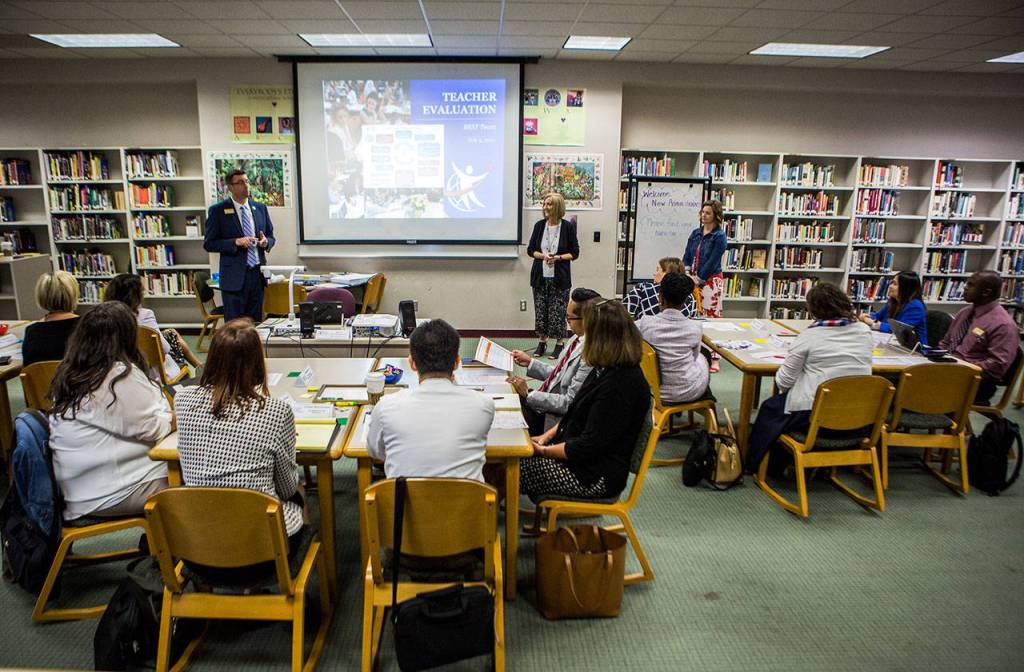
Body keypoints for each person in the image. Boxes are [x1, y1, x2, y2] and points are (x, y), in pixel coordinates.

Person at [174, 319, 307, 568]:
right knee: (299, 494)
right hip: (263, 548)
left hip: (198, 543)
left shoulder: (182, 401)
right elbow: (287, 488)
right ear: (258, 360)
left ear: (212, 358)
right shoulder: (276, 411)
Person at [48, 302, 172, 520]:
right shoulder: (116, 377)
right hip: (112, 490)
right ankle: (186, 545)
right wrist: (185, 415)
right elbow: (156, 428)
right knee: (196, 472)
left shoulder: (71, 372)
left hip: (79, 488)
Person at [521, 299, 651, 501]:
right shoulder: (605, 369)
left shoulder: (621, 386)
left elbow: (588, 446)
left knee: (510, 467)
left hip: (593, 476)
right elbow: (575, 411)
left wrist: (544, 451)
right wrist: (547, 436)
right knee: (508, 461)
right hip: (579, 460)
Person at [746, 283, 873, 474]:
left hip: (815, 414)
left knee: (770, 409)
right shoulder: (864, 331)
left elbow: (784, 382)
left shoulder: (810, 336)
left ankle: (756, 465)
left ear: (813, 310)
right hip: (858, 414)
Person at [367, 319, 495, 481]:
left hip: (403, 504)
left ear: (412, 363)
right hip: (467, 504)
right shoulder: (484, 405)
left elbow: (375, 452)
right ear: (457, 362)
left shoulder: (386, 406)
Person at [507, 288, 600, 435]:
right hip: (543, 404)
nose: (567, 321)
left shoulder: (591, 353)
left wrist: (528, 394)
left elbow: (568, 403)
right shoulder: (576, 338)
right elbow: (561, 376)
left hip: (553, 421)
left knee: (504, 417)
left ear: (586, 319)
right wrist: (531, 363)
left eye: (570, 318)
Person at [204, 169, 276, 323]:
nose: (246, 185)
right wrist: (235, 242)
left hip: (257, 275)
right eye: (240, 182)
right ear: (230, 187)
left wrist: (266, 243)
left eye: (247, 181)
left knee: (255, 323)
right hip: (234, 278)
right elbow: (209, 243)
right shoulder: (218, 211)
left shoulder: (260, 208)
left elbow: (270, 236)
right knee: (235, 326)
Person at [939, 270, 1019, 404]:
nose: (965, 287)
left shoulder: (1003, 325)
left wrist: (961, 369)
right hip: (950, 369)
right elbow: (946, 343)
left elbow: (996, 366)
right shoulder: (965, 312)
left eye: (971, 285)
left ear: (986, 292)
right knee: (906, 377)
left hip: (977, 381)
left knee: (914, 385)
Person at [103, 274, 199, 379]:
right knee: (174, 337)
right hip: (153, 370)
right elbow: (164, 349)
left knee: (171, 333)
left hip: (123, 367)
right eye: (142, 290)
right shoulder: (144, 315)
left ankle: (199, 366)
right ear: (135, 296)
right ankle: (200, 368)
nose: (144, 292)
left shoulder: (106, 317)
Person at [636, 272, 710, 403]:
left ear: (660, 297)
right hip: (686, 392)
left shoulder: (644, 323)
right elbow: (694, 356)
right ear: (685, 301)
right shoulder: (695, 327)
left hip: (652, 390)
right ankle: (706, 399)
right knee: (703, 357)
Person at [526, 192, 579, 360]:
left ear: (557, 206)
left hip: (560, 277)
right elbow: (530, 250)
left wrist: (558, 258)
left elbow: (575, 253)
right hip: (540, 276)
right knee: (541, 310)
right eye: (544, 204)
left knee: (558, 311)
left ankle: (559, 343)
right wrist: (543, 256)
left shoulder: (568, 227)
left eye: (549, 204)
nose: (545, 207)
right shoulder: (539, 226)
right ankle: (542, 342)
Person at [683, 200, 727, 371]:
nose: (703, 215)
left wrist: (699, 278)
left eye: (707, 213)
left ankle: (715, 358)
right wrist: (687, 273)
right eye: (702, 212)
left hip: (710, 282)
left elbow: (713, 260)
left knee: (712, 319)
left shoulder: (719, 236)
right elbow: (687, 254)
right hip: (692, 279)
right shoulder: (695, 233)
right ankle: (698, 354)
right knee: (694, 316)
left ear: (716, 215)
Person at [22, 270, 80, 366]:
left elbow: (28, 367)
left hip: (43, 380)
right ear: (74, 295)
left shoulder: (31, 332)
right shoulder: (88, 326)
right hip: (77, 380)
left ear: (41, 297)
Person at [858, 270, 928, 345]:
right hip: (892, 343)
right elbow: (877, 316)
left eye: (895, 284)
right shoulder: (893, 301)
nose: (890, 286)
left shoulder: (915, 307)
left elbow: (901, 331)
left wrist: (873, 323)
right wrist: (865, 317)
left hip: (913, 350)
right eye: (891, 283)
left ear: (906, 288)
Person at [622, 256, 698, 320]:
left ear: (667, 273)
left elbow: (623, 313)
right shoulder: (690, 296)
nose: (654, 273)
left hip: (646, 335)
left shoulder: (642, 288)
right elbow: (694, 320)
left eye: (658, 269)